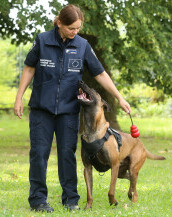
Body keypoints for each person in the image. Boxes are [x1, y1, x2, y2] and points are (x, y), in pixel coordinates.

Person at [14, 4, 131, 213]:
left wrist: (119, 98)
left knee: (67, 154)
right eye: (71, 28)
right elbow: (30, 68)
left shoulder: (83, 45)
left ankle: (70, 199)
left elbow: (100, 73)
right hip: (42, 109)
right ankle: (38, 200)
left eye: (78, 28)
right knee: (39, 154)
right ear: (59, 23)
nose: (75, 32)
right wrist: (19, 97)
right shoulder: (42, 40)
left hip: (69, 111)